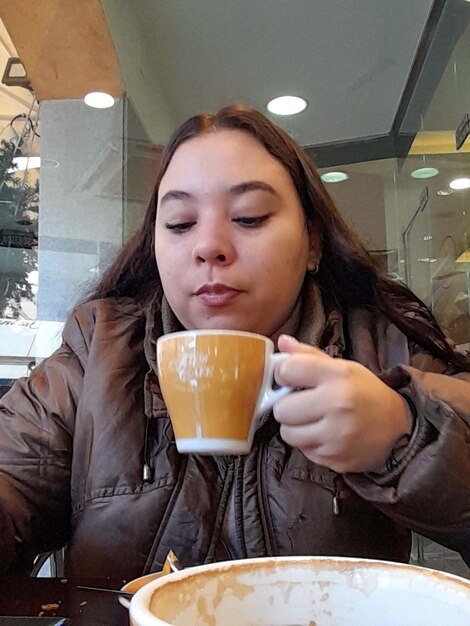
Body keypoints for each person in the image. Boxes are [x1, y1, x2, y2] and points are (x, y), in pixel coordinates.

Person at [0, 105, 469, 579]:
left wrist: (404, 439)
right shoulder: (98, 351)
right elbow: (11, 484)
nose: (209, 245)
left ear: (312, 243)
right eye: (181, 223)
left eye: (249, 216)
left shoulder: (381, 350)